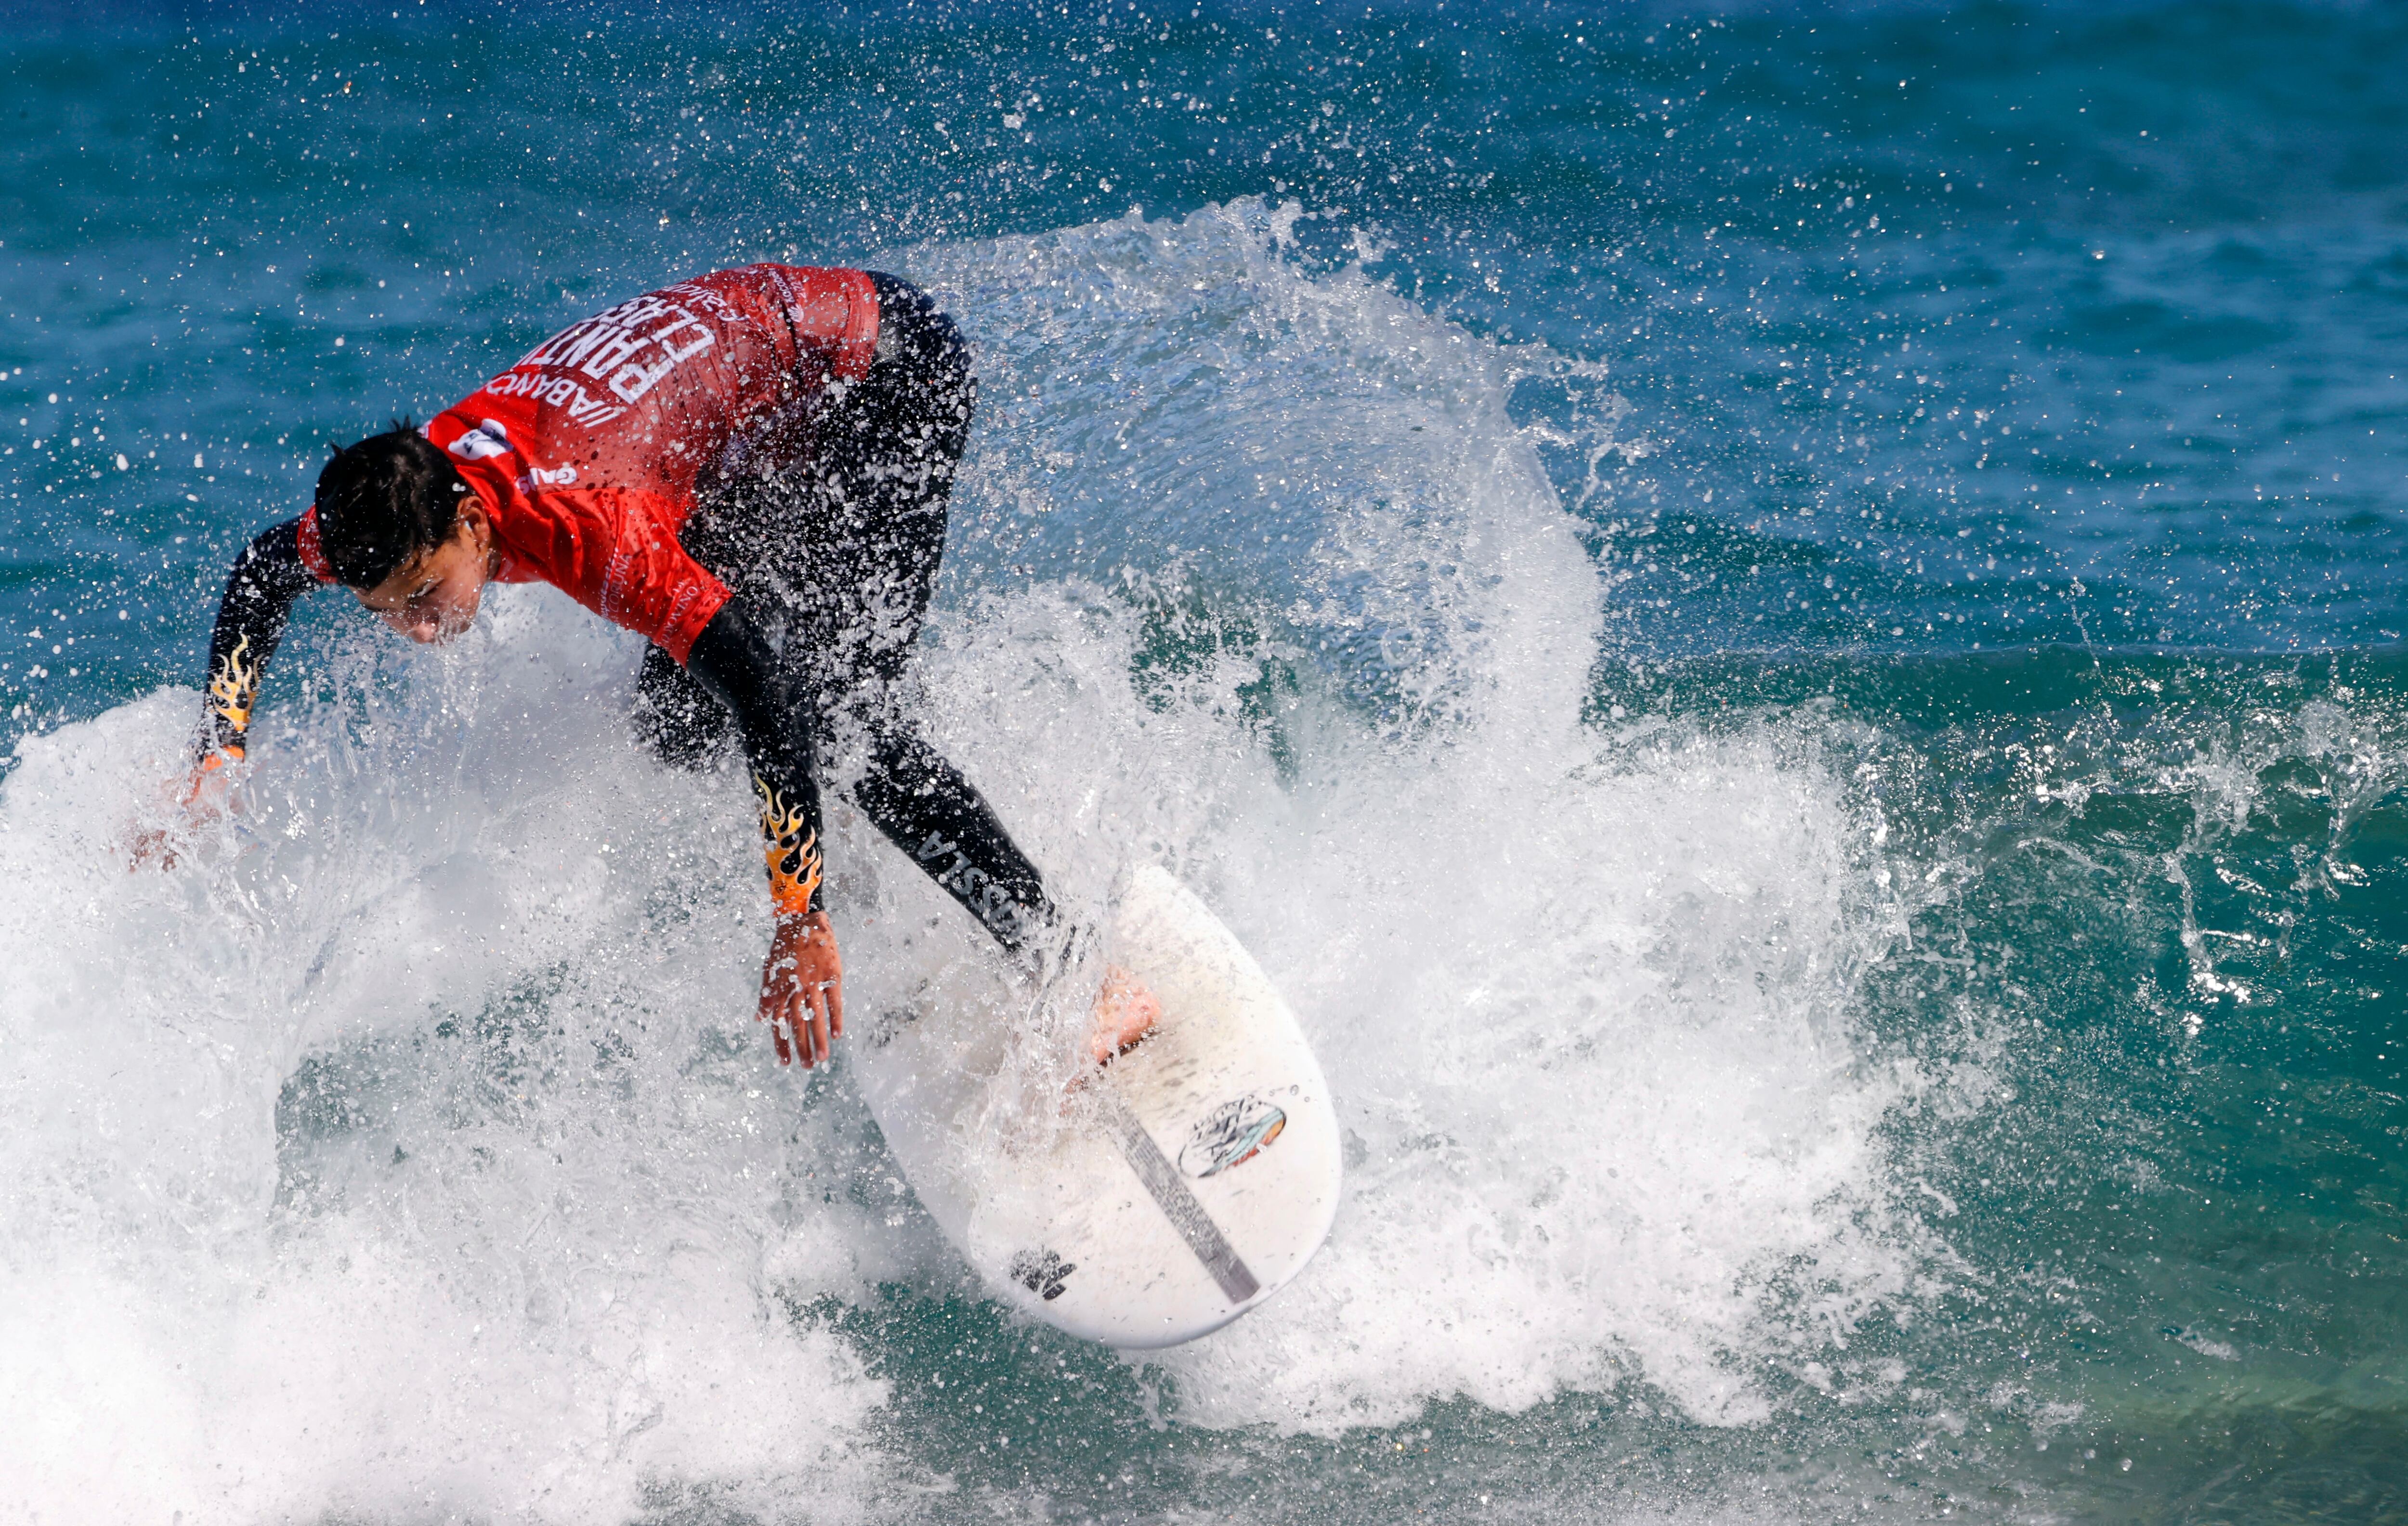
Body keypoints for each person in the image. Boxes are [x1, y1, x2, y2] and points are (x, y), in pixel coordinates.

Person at [144, 264, 1155, 1069]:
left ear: (469, 519)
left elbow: (769, 694)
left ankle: (1079, 970)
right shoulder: (398, 498)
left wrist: (796, 917)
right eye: (388, 614)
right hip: (744, 418)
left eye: (424, 597)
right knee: (676, 728)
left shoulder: (593, 532)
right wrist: (220, 752)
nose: (416, 628)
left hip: (880, 374)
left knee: (841, 722)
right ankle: (868, 841)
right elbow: (259, 574)